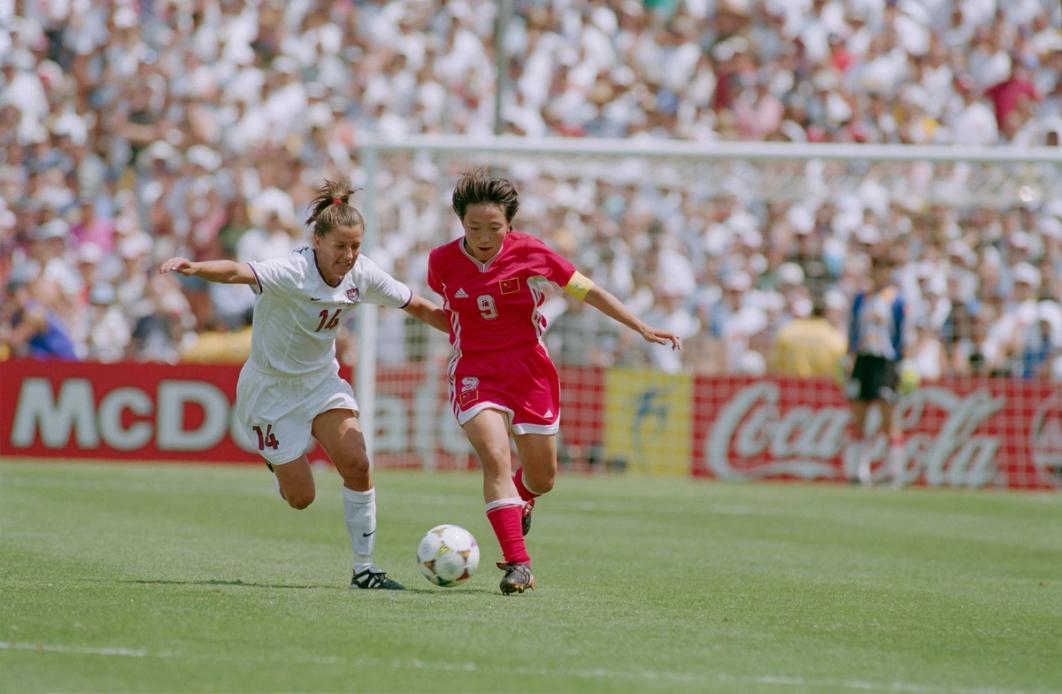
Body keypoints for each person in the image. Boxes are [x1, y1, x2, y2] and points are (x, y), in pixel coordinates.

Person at [160, 179, 448, 590]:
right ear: (317, 241)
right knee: (301, 498)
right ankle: (277, 460)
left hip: (320, 383)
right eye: (340, 247)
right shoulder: (292, 270)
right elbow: (238, 271)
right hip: (270, 390)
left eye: (356, 247)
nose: (349, 256)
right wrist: (194, 267)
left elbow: (417, 305)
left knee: (358, 461)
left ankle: (364, 569)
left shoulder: (361, 273)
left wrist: (467, 330)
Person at [426, 169, 681, 595]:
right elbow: (448, 313)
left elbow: (588, 290)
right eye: (474, 228)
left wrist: (640, 326)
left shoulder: (532, 252)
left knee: (543, 478)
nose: (485, 236)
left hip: (529, 369)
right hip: (474, 370)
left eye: (495, 228)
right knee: (495, 456)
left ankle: (522, 499)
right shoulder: (441, 262)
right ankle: (519, 564)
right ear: (460, 222)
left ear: (511, 224)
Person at [845, 256, 911, 489]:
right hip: (864, 360)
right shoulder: (862, 299)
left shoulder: (896, 300)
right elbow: (853, 330)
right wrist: (850, 357)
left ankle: (895, 472)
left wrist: (902, 363)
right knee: (859, 415)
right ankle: (858, 470)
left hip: (886, 362)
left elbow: (902, 334)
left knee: (889, 417)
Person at [768, 295, 847, 378]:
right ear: (826, 312)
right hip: (821, 387)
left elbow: (775, 366)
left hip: (791, 386)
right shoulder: (835, 338)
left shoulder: (787, 331)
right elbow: (840, 372)